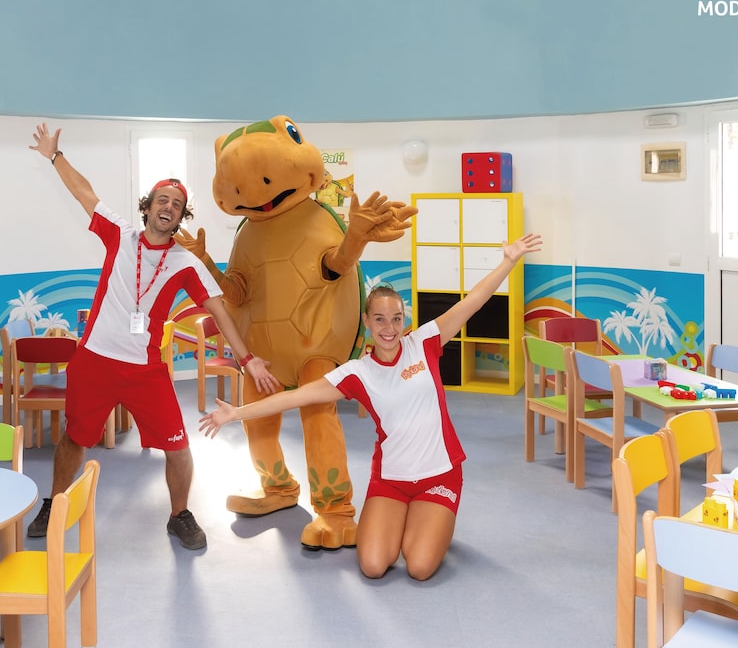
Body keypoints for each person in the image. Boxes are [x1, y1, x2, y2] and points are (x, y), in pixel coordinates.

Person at [200, 233, 542, 578]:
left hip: (438, 474)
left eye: (396, 318)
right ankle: (411, 520)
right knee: (374, 565)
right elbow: (294, 397)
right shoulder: (357, 373)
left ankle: (432, 519)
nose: (389, 328)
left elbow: (474, 301)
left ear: (404, 319)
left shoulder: (424, 343)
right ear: (366, 322)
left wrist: (508, 261)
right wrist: (236, 413)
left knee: (419, 566)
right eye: (379, 319)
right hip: (391, 481)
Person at [26, 122, 281, 550]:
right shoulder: (119, 234)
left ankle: (179, 515)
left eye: (177, 205)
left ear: (181, 217)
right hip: (95, 359)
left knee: (178, 447)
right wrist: (55, 156)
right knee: (74, 437)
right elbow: (84, 192)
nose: (169, 207)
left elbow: (219, 310)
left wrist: (247, 358)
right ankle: (54, 503)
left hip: (145, 370)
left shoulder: (186, 263)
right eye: (162, 199)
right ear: (148, 208)